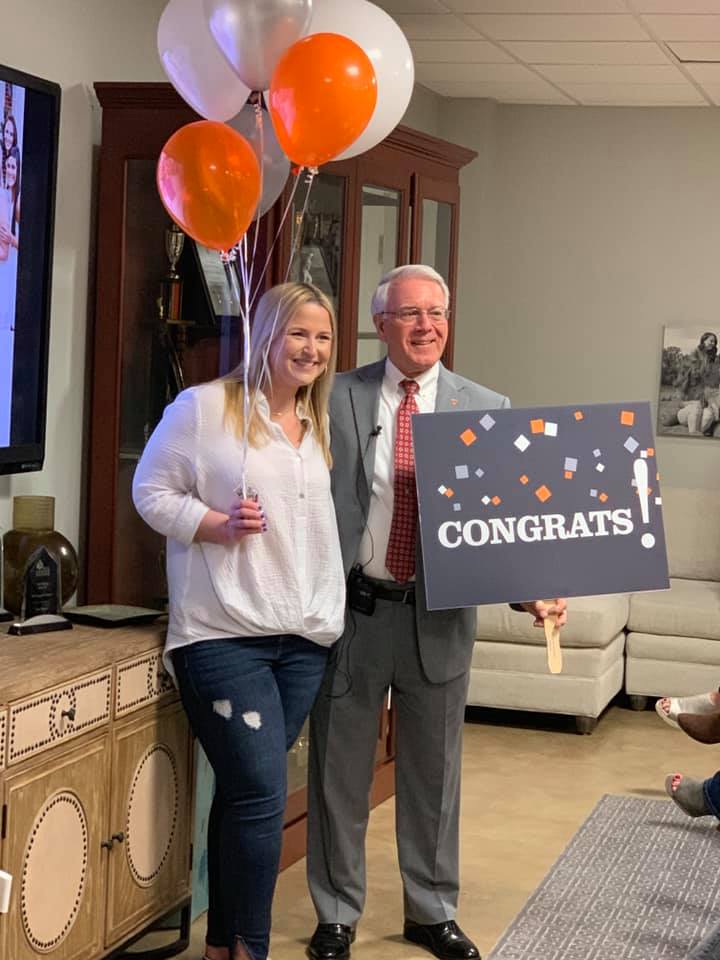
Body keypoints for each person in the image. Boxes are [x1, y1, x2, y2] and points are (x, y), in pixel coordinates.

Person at [306, 264, 567, 960]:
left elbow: (502, 523)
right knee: (339, 775)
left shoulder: (485, 405)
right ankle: (336, 913)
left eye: (437, 313)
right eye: (410, 314)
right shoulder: (336, 397)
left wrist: (531, 590)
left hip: (439, 616)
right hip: (355, 614)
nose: (427, 327)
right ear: (380, 323)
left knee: (433, 774)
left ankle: (430, 909)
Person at [132, 281, 346, 960]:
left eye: (322, 336)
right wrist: (215, 524)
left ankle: (223, 946)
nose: (310, 348)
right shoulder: (203, 409)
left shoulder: (316, 424)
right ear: (267, 335)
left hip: (303, 638)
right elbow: (149, 490)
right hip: (223, 637)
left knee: (243, 794)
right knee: (260, 794)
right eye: (298, 333)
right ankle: (251, 949)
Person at [674, 332, 720, 435]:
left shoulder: (713, 358)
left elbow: (714, 377)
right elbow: (694, 372)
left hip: (706, 396)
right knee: (697, 407)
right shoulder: (695, 354)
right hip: (693, 396)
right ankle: (692, 428)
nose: (713, 343)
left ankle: (700, 429)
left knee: (709, 414)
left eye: (714, 342)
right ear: (703, 341)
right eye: (710, 341)